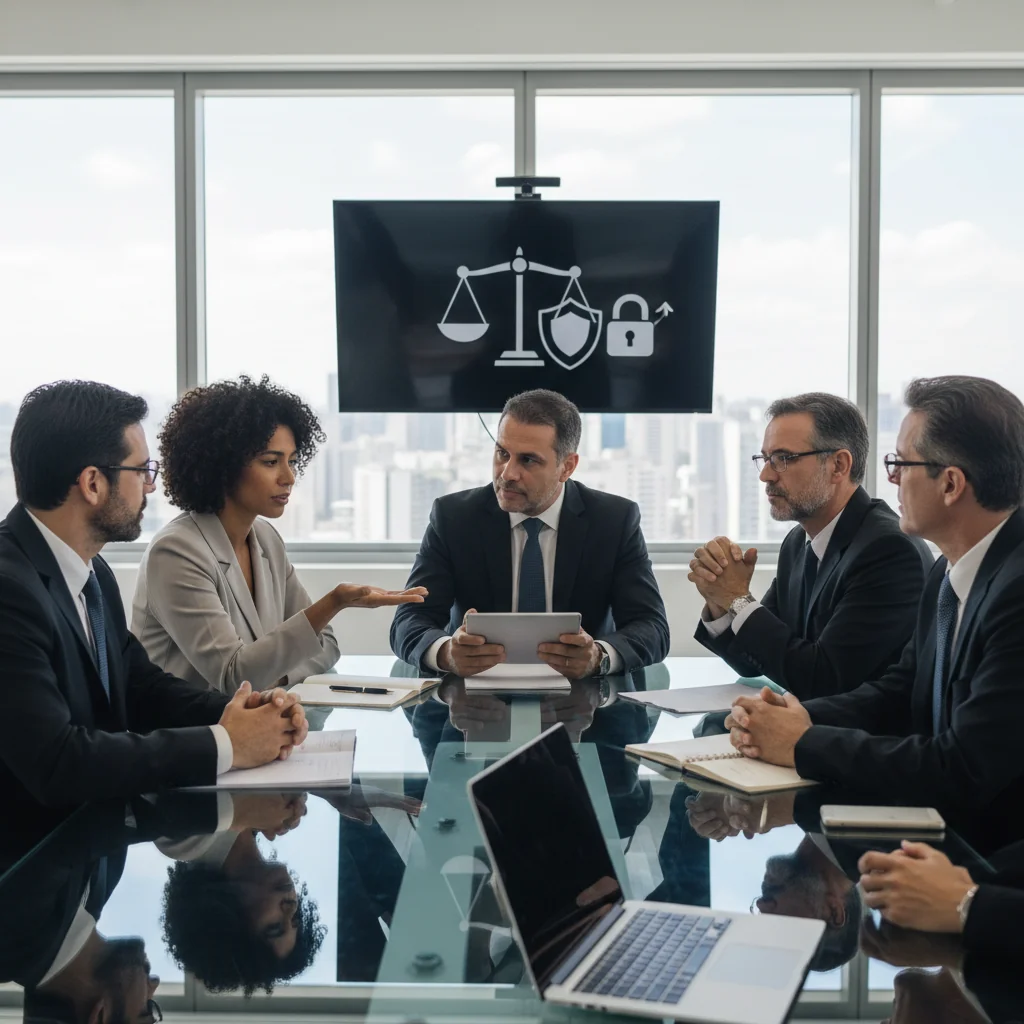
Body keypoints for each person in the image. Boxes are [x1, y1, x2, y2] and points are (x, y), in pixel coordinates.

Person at [726, 376, 1024, 835]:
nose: (892, 480)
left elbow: (964, 765)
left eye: (901, 464)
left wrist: (804, 742)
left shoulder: (1015, 594)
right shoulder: (947, 572)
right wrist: (796, 718)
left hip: (991, 855)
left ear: (950, 484)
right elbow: (902, 690)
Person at [0, 380, 308, 808]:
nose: (151, 487)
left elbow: (138, 687)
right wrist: (225, 745)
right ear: (93, 483)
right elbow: (58, 760)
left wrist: (248, 711)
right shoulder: (9, 591)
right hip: (29, 860)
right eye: (142, 471)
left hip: (92, 850)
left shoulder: (93, 575)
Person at [133, 375, 426, 694]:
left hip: (254, 728)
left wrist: (276, 679)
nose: (288, 477)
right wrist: (334, 601)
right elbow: (235, 677)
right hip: (186, 736)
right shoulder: (176, 552)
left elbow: (326, 645)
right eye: (271, 462)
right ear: (224, 465)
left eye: (293, 461)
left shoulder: (265, 539)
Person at [390, 389, 669, 678]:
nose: (507, 473)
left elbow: (652, 627)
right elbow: (409, 621)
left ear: (567, 467)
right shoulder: (454, 518)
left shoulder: (613, 521)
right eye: (502, 453)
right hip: (472, 704)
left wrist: (598, 656)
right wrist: (446, 653)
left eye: (528, 460)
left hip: (586, 702)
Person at [689, 393, 932, 699]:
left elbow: (823, 679)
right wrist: (719, 599)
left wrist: (738, 600)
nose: (765, 475)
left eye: (783, 459)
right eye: (765, 459)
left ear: (838, 466)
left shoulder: (889, 551)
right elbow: (755, 661)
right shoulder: (797, 541)